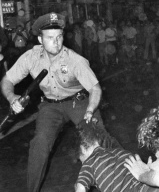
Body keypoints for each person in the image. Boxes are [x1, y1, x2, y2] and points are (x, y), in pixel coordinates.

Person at [0, 12, 118, 192]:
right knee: (39, 144)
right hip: (50, 106)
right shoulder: (30, 57)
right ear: (40, 39)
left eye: (59, 36)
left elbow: (95, 89)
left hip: (79, 102)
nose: (56, 42)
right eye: (50, 38)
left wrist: (89, 111)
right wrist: (11, 97)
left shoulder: (74, 60)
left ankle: (128, 177)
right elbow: (7, 81)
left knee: (100, 141)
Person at [75, 119, 159, 192]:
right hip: (153, 187)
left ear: (83, 149)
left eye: (81, 160)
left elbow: (80, 188)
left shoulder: (88, 164)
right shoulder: (119, 152)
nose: (82, 163)